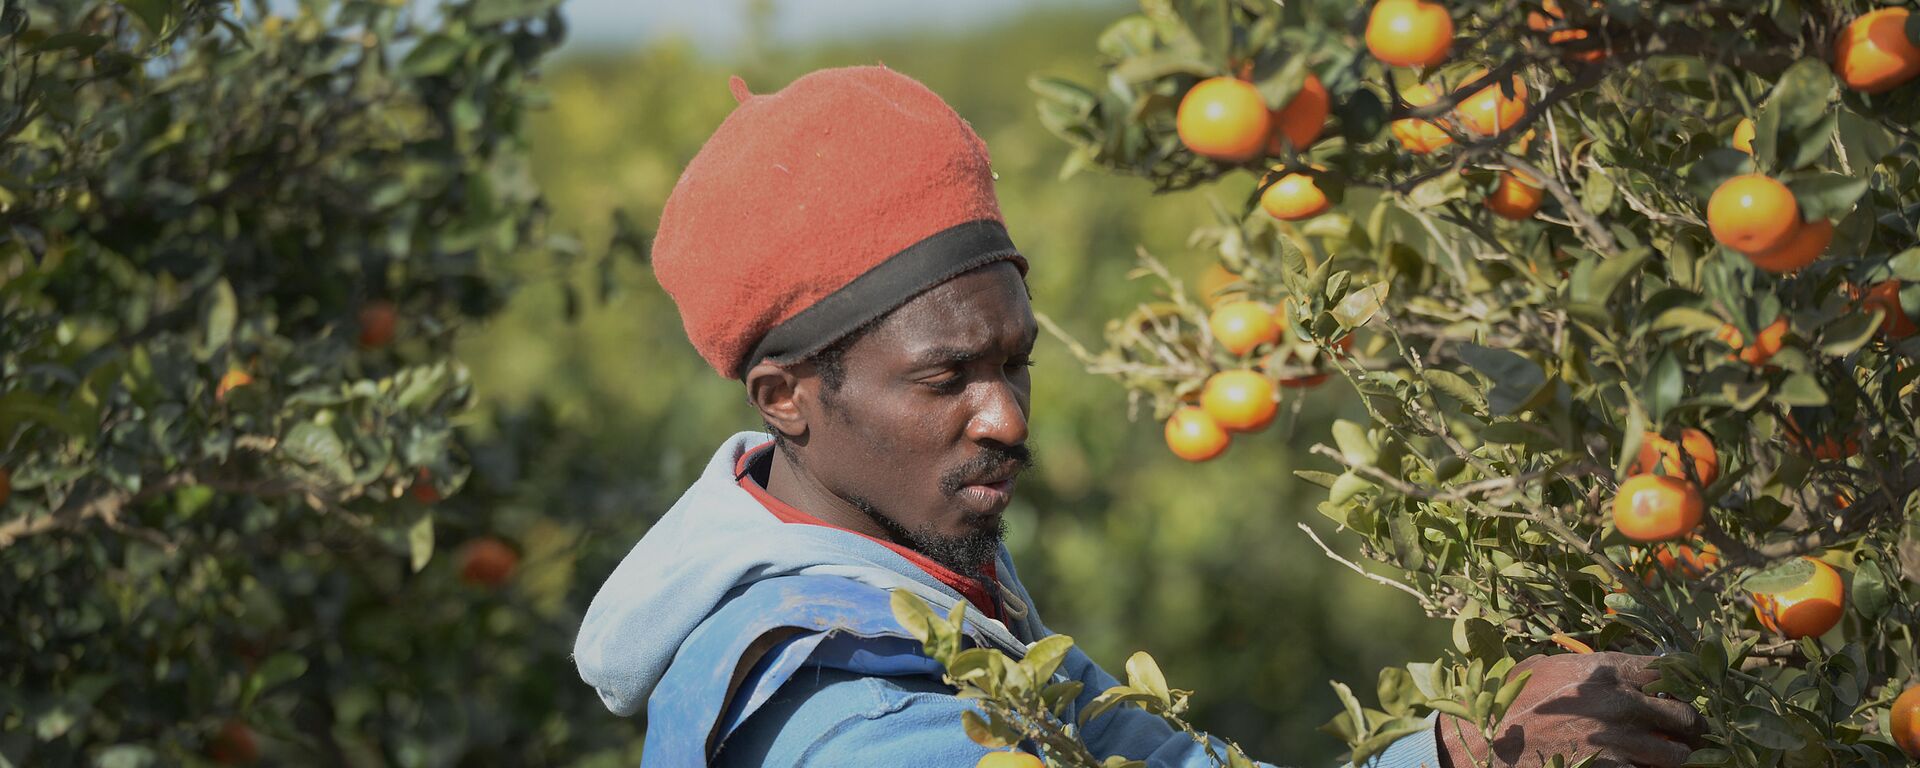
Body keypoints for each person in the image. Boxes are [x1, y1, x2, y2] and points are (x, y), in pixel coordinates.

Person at [573, 65, 1705, 768]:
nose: (1006, 417)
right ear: (788, 400)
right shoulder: (841, 706)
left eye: (1016, 360)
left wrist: (1468, 755)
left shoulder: (916, 581)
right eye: (947, 377)